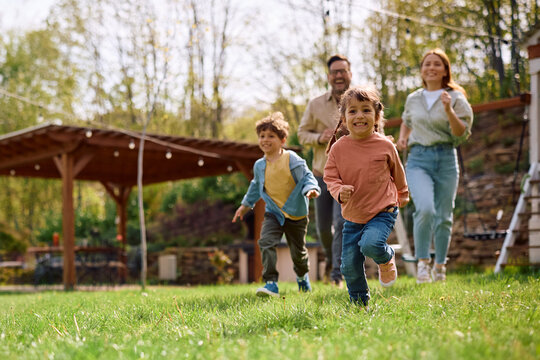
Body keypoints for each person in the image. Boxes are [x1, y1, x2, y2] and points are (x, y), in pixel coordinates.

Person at [324, 86, 409, 307]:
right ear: (343, 118)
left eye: (365, 110)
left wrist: (403, 194)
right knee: (349, 265)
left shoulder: (385, 145)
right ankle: (360, 304)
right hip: (353, 214)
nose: (359, 116)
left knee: (371, 244)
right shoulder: (338, 149)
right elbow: (330, 177)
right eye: (352, 111)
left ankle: (386, 256)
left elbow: (397, 172)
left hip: (383, 210)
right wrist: (338, 191)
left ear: (376, 115)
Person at [396, 48, 473, 284]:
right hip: (418, 159)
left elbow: (462, 132)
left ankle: (440, 266)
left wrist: (448, 109)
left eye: (437, 64)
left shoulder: (456, 98)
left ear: (445, 70)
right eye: (427, 64)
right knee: (425, 209)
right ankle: (422, 264)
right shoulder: (413, 98)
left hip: (446, 158)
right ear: (421, 70)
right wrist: (403, 138)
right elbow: (407, 121)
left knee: (444, 216)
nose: (431, 67)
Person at [232, 112, 320, 297]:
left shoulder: (291, 159)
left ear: (282, 140)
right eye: (262, 136)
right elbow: (256, 186)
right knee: (265, 242)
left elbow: (307, 177)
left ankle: (302, 277)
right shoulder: (259, 165)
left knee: (298, 254)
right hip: (274, 213)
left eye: (271, 136)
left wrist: (311, 189)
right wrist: (245, 205)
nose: (265, 139)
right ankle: (271, 283)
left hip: (296, 214)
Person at [298, 54, 352, 286]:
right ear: (329, 76)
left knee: (342, 223)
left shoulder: (360, 100)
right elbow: (301, 134)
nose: (339, 75)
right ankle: (332, 260)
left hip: (349, 174)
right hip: (321, 174)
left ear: (350, 73)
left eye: (343, 71)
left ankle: (337, 274)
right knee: (322, 229)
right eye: (335, 72)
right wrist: (320, 137)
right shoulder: (315, 104)